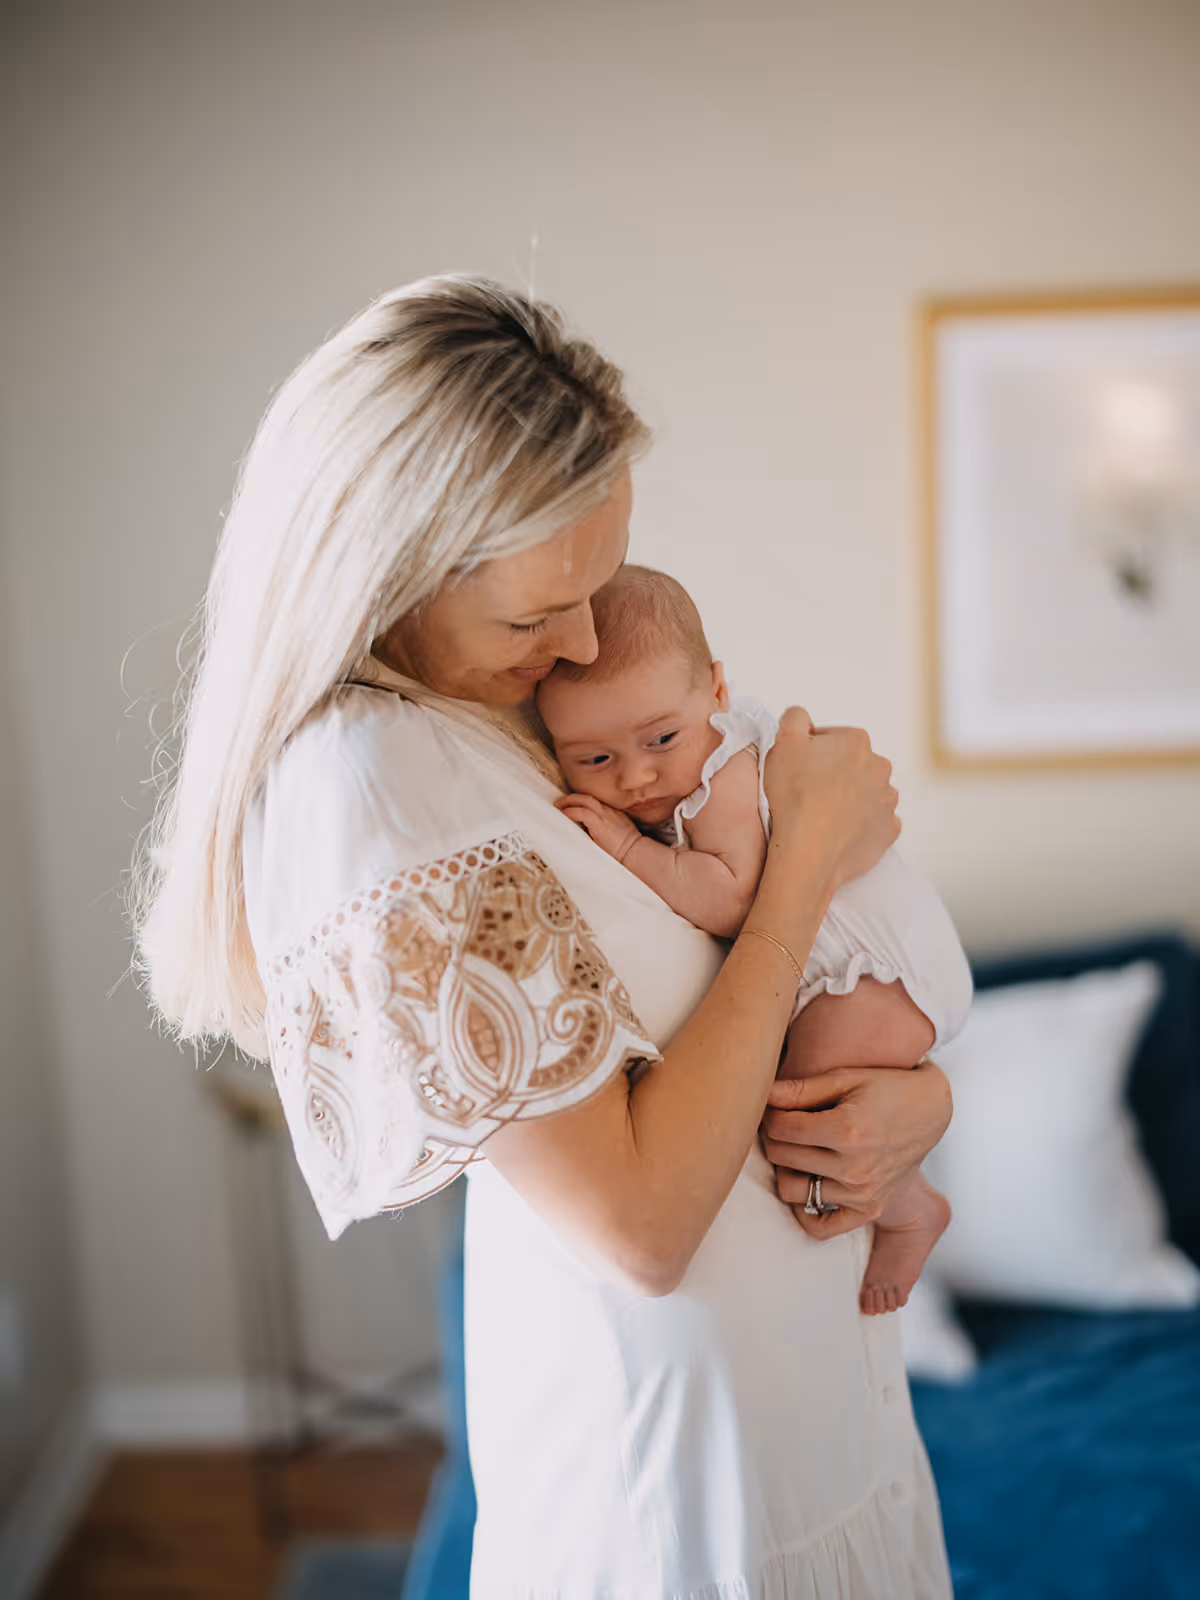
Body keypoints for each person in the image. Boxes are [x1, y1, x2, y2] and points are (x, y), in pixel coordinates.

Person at [134, 275, 955, 1598]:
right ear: (386, 569)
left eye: (599, 584)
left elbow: (717, 1026)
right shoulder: (379, 780)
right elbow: (638, 1222)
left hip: (806, 1435)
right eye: (535, 614)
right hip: (684, 1499)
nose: (578, 645)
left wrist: (911, 1097)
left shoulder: (499, 721)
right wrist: (798, 861)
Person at [535, 564, 972, 1316]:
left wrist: (633, 851)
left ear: (717, 693)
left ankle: (907, 1205)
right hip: (852, 970)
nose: (637, 777)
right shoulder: (677, 756)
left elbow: (736, 897)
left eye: (660, 738)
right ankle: (910, 1198)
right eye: (595, 760)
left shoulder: (722, 769)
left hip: (871, 970)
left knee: (807, 1098)